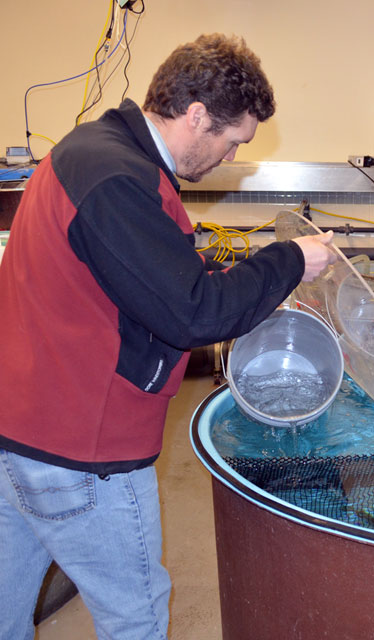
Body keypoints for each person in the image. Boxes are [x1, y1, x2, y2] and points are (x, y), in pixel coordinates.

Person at [0, 33, 335, 639]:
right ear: (198, 115)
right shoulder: (118, 179)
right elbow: (193, 314)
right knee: (136, 619)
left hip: (20, 434)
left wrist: (234, 278)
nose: (232, 157)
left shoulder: (89, 152)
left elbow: (147, 282)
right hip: (82, 451)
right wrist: (288, 260)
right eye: (234, 141)